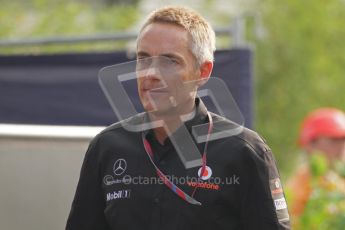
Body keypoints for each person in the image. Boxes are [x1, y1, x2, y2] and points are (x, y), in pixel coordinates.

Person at [66, 6, 290, 230]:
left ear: (203, 72)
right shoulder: (107, 147)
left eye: (169, 61)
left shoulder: (244, 151)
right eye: (143, 59)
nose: (151, 74)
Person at [288, 108, 345, 219]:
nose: (342, 147)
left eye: (343, 140)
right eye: (334, 140)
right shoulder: (300, 187)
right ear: (310, 145)